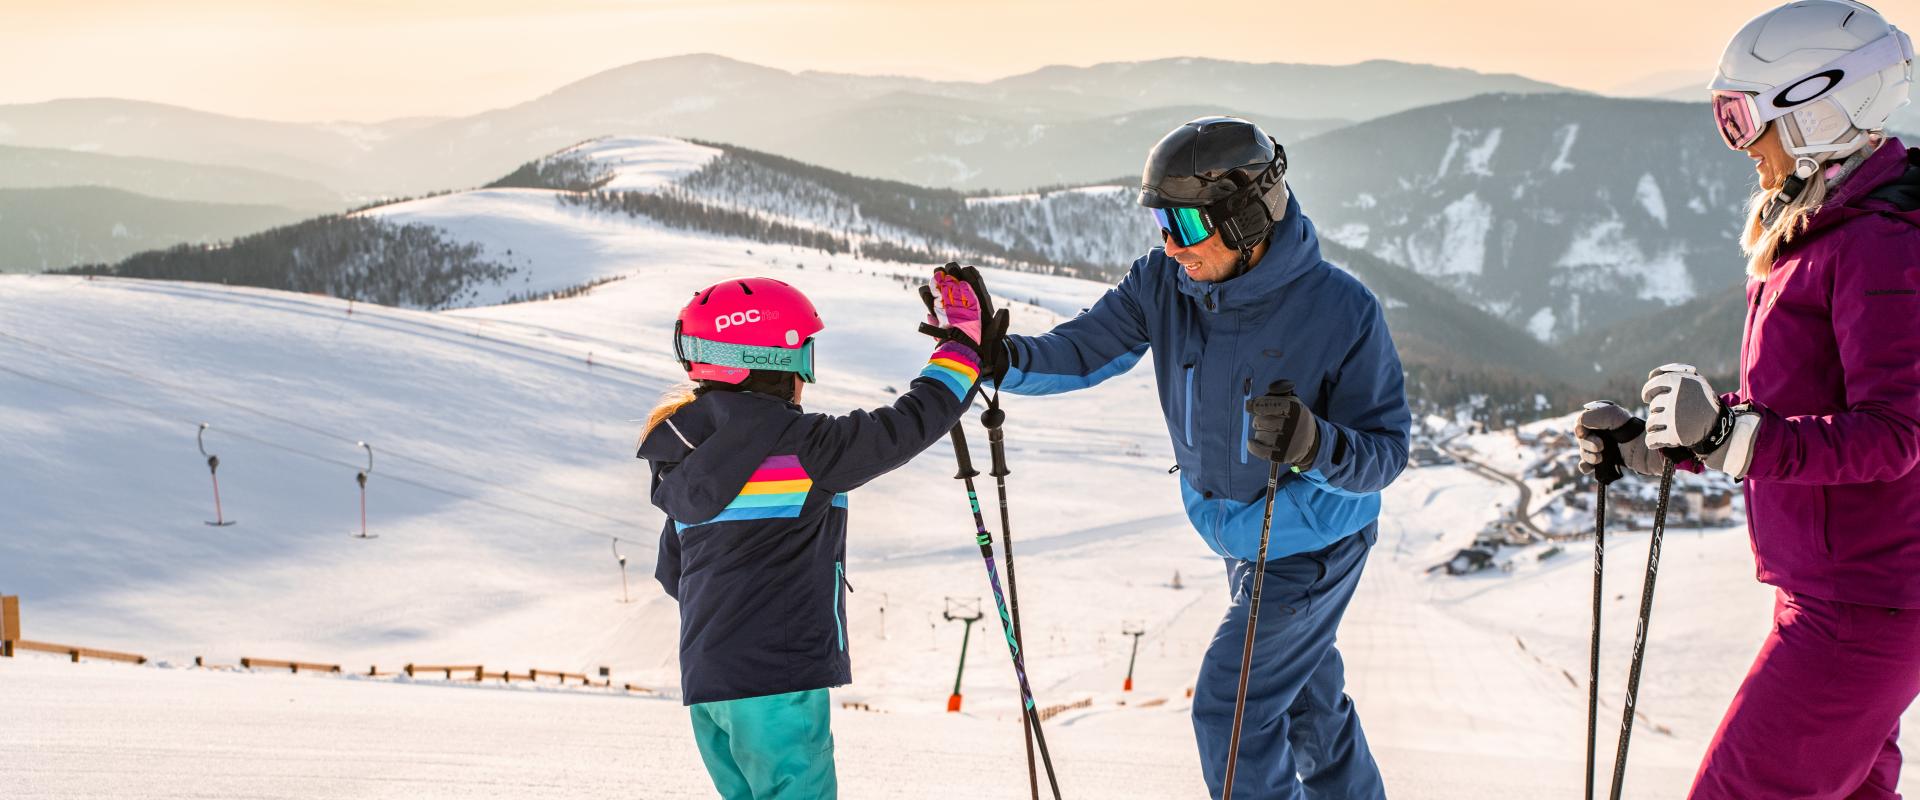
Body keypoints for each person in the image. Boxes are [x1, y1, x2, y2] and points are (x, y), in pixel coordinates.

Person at [970, 116, 1410, 799]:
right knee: (1306, 704)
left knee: (1231, 711)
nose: (1170, 246)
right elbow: (1086, 348)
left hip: (1314, 544)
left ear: (1244, 218)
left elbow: (1385, 455)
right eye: (1161, 224)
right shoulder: (1164, 286)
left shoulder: (1342, 311)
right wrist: (1002, 359)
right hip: (1237, 537)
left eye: (1185, 224)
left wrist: (1315, 443)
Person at [1576, 2, 1919, 796]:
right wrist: (1666, 441)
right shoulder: (1825, 228)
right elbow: (1786, 405)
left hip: (1859, 611)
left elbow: (1894, 433)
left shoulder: (1880, 243)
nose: (1740, 146)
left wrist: (1740, 438)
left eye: (1743, 120)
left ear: (1817, 110)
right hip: (1840, 598)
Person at [637, 268, 1002, 799]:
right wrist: (962, 347)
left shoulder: (687, 454)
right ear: (768, 361)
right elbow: (911, 422)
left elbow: (675, 573)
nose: (805, 378)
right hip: (778, 681)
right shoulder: (805, 446)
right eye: (803, 356)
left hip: (710, 688)